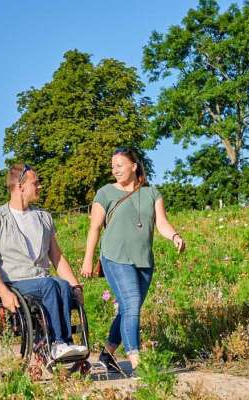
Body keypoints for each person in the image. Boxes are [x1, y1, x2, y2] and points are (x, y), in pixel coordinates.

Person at [81, 148, 185, 375]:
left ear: (134, 165)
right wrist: (88, 259)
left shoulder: (152, 193)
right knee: (132, 301)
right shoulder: (105, 192)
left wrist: (175, 236)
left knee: (130, 308)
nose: (114, 169)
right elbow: (94, 227)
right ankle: (137, 361)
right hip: (115, 257)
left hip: (143, 260)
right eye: (113, 165)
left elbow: (162, 223)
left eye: (119, 164)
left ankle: (107, 355)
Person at [0, 164, 87, 360]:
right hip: (15, 282)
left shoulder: (44, 217)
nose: (40, 186)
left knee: (63, 285)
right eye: (35, 183)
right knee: (50, 285)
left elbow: (57, 256)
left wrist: (75, 286)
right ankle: (57, 343)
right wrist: (3, 293)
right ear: (20, 186)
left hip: (42, 280)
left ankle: (65, 344)